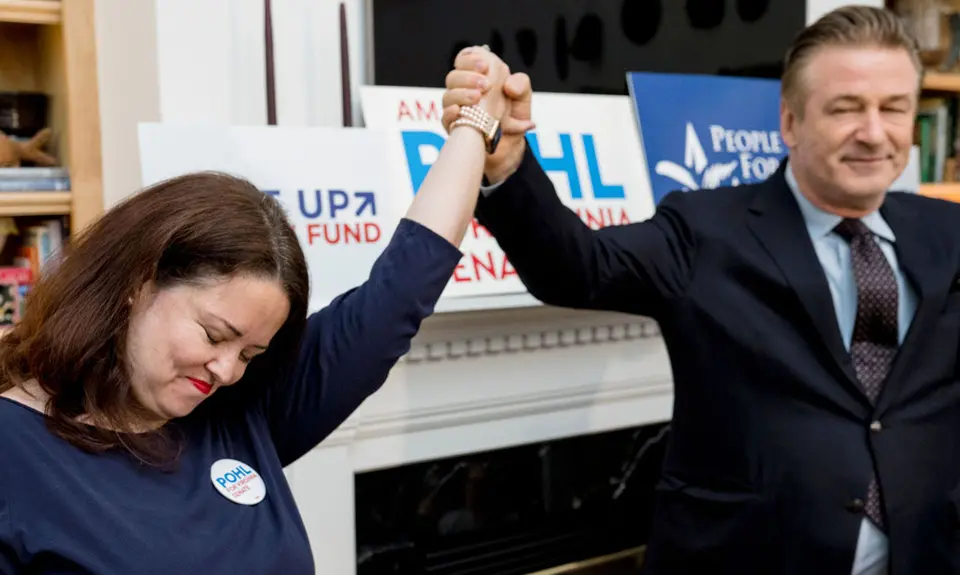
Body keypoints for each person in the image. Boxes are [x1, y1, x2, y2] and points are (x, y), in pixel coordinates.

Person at [442, 6, 960, 575]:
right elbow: (574, 267)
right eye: (846, 109)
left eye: (894, 109)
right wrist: (507, 160)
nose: (873, 132)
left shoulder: (945, 233)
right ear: (789, 123)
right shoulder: (705, 230)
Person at [0, 48, 511, 574]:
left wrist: (473, 123)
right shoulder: (13, 452)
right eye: (213, 334)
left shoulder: (242, 406)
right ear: (137, 283)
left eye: (250, 352)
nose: (225, 370)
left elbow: (402, 289)